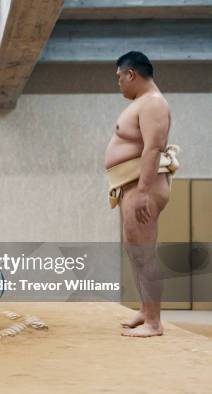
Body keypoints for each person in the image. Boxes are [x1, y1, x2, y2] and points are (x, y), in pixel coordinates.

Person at [105, 51, 180, 337]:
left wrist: (144, 193)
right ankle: (145, 310)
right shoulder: (142, 103)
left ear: (131, 74)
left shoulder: (154, 104)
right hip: (132, 184)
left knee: (144, 253)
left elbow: (152, 148)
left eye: (119, 78)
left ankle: (154, 323)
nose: (119, 84)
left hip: (142, 185)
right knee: (135, 252)